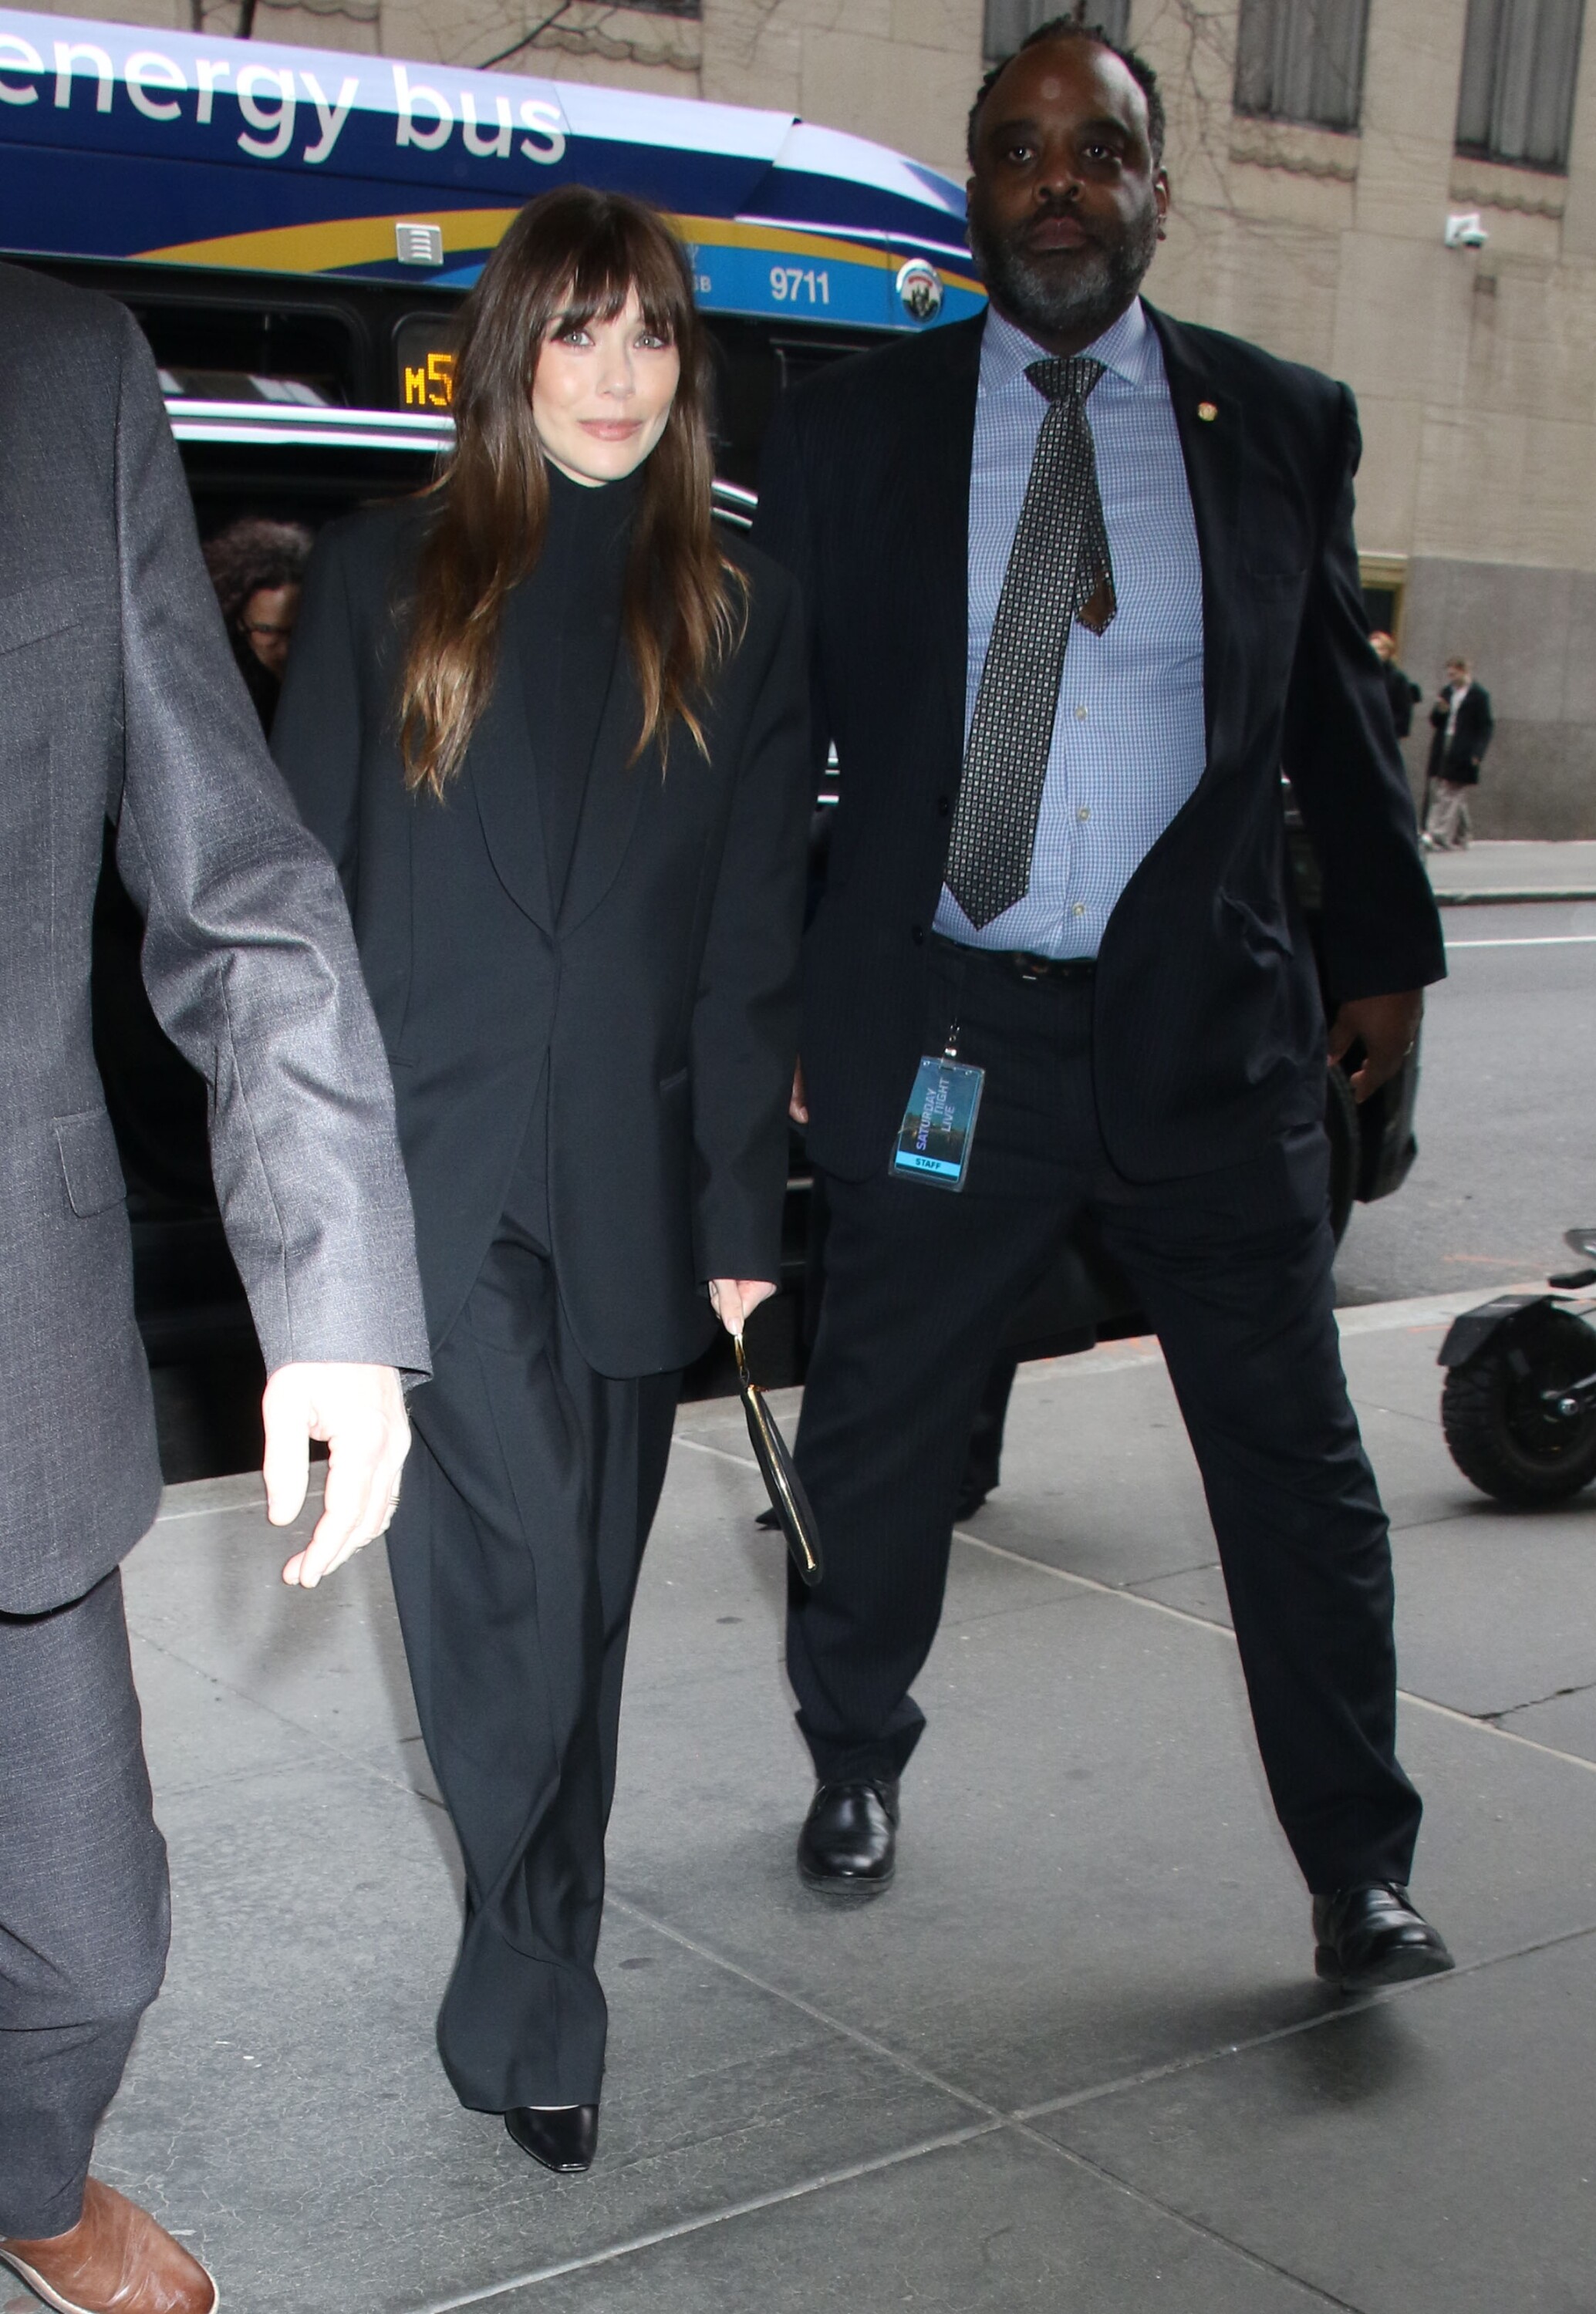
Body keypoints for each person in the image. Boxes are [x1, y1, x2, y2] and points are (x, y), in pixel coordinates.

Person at [753, 16, 1455, 1994]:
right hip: (942, 1030)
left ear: (1153, 189)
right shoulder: (849, 431)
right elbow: (765, 747)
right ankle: (851, 1756)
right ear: (975, 189)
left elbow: (1332, 715)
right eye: (1016, 150)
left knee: (1293, 1464)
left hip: (1203, 1038)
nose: (1055, 183)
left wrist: (1384, 954)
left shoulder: (1276, 422)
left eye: (1095, 150)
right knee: (877, 1432)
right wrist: (772, 996)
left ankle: (1356, 1864)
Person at [273, 187, 811, 2177]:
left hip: (632, 1194)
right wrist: (307, 1237)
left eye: (649, 334)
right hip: (429, 1195)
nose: (614, 374)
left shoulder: (735, 610)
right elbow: (292, 926)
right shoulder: (377, 582)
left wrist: (741, 1219)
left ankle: (529, 1978)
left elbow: (747, 944)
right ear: (509, 352)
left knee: (580, 1619)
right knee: (517, 1585)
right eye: (576, 330)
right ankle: (541, 1987)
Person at [0, 265, 429, 2314]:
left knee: (91, 1945)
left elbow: (242, 891)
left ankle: (21, 2172)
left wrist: (330, 1297)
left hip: (11, 1362)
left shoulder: (63, 377)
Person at [202, 515, 313, 729]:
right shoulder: (217, 689)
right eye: (266, 631)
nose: (285, 650)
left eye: (297, 630)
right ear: (239, 623)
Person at [1424, 655, 1493, 850]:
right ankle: (1463, 835)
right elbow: (1435, 721)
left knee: (1448, 790)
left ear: (1464, 672)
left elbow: (1486, 727)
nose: (1451, 678)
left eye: (1454, 674)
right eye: (1449, 674)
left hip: (1464, 747)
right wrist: (1441, 710)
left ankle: (1437, 834)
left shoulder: (1478, 695)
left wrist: (1478, 753)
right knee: (1451, 791)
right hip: (1445, 743)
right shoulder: (1447, 692)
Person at [1369, 629, 1420, 740]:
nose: (1376, 653)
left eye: (1381, 649)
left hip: (1385, 735)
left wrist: (1389, 729)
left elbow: (1403, 711)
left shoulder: (1397, 679)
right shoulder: (1361, 676)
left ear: (1389, 653)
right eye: (1372, 649)